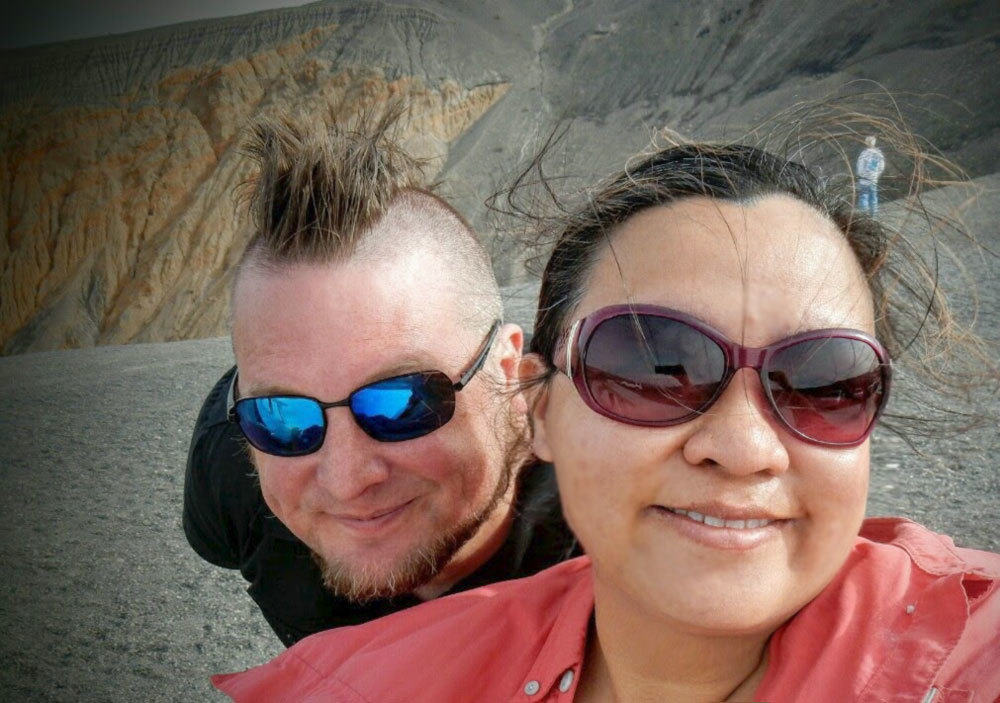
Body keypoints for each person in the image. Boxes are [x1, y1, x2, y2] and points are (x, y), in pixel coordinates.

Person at [213, 136, 1000, 702]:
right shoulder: (228, 487)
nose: (743, 446)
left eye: (824, 381)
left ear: (523, 400)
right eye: (657, 367)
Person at [183, 109, 577, 647]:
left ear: (515, 381)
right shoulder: (229, 478)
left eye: (402, 404)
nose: (346, 480)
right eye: (282, 417)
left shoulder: (613, 515)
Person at [856, 135, 885, 215]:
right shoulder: (878, 154)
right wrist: (876, 174)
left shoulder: (864, 154)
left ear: (866, 143)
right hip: (874, 179)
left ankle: (864, 215)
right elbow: (881, 166)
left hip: (864, 180)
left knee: (864, 196)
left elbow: (860, 167)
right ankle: (873, 214)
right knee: (873, 197)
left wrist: (860, 175)